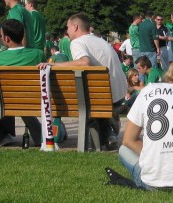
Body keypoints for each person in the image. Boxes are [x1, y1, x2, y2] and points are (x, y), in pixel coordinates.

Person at [39, 13, 128, 150]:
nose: (67, 31)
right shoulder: (101, 41)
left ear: (75, 27)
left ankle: (105, 136)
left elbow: (84, 62)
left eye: (68, 27)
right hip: (116, 95)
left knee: (85, 102)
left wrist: (53, 65)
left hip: (101, 97)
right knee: (90, 97)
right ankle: (108, 133)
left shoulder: (77, 42)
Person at [119, 62, 173, 192]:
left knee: (123, 150)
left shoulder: (148, 91)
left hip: (153, 184)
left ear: (164, 80)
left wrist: (153, 154)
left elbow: (128, 140)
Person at [0, 19, 44, 147]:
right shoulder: (38, 54)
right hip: (32, 100)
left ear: (7, 39)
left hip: (4, 101)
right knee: (22, 100)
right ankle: (42, 137)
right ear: (23, 35)